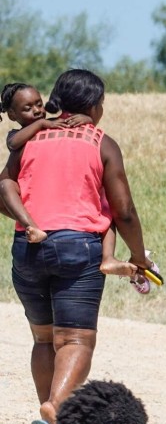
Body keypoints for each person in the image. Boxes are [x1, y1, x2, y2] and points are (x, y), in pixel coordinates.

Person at [0, 69, 154, 424]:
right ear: (94, 106)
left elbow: (4, 190)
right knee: (76, 339)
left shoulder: (30, 140)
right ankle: (57, 407)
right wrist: (137, 254)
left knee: (43, 337)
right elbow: (124, 212)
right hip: (78, 249)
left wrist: (32, 224)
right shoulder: (101, 142)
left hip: (28, 247)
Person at [0, 81, 156, 292]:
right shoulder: (25, 136)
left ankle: (33, 225)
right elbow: (124, 211)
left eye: (39, 104)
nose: (37, 112)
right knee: (105, 210)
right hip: (78, 244)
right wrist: (138, 256)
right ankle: (107, 257)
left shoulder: (35, 138)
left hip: (30, 251)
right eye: (27, 108)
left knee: (42, 325)